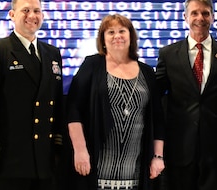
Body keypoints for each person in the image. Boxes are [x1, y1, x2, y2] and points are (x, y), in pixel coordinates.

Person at [0, 0, 64, 190]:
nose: (32, 16)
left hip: (44, 160)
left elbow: (56, 104)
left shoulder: (52, 54)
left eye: (37, 11)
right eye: (26, 10)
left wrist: (58, 146)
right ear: (12, 15)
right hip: (8, 159)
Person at [65, 14, 165, 190]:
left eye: (122, 31)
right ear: (103, 39)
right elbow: (74, 110)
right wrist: (80, 151)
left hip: (136, 170)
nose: (117, 36)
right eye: (110, 32)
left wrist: (158, 157)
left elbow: (157, 118)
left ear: (131, 36)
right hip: (96, 167)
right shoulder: (92, 65)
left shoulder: (147, 72)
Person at [155, 0, 217, 190]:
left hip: (215, 145)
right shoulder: (168, 54)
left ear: (213, 17)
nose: (200, 18)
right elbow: (155, 91)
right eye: (195, 13)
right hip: (179, 144)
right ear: (185, 17)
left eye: (206, 13)